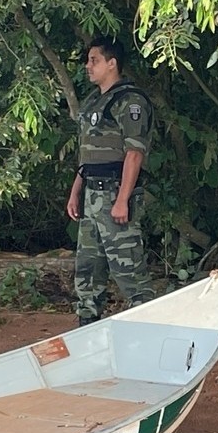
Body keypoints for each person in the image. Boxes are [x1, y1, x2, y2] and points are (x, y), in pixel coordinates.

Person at [66, 36, 155, 326]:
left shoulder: (130, 102)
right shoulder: (94, 102)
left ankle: (149, 330)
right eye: (88, 60)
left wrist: (122, 201)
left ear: (112, 63)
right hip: (92, 195)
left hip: (115, 193)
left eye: (95, 60)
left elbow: (133, 155)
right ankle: (87, 329)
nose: (87, 66)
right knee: (88, 270)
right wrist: (75, 192)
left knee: (128, 269)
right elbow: (88, 156)